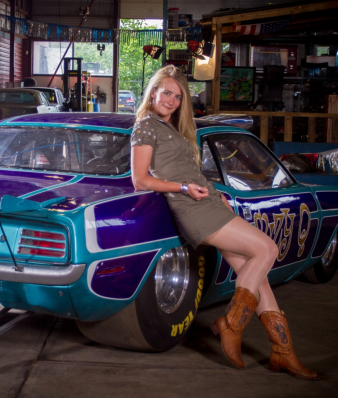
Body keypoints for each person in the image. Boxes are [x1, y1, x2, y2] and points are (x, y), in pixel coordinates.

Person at [129, 65, 319, 380]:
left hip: (207, 202)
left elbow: (186, 172)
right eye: (167, 93)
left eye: (178, 96)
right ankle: (231, 324)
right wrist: (184, 188)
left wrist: (213, 192)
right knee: (266, 250)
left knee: (256, 275)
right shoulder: (146, 127)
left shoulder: (171, 127)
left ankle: (283, 352)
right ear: (152, 92)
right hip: (191, 208)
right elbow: (140, 180)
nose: (172, 101)